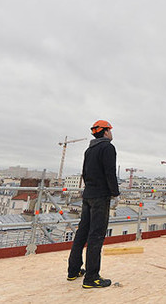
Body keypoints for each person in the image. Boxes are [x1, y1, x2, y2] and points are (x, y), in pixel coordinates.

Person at [67, 120, 120, 289]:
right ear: (105, 132)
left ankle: (73, 270)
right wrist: (115, 193)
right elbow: (110, 172)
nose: (112, 133)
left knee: (82, 233)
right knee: (96, 236)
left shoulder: (89, 149)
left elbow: (84, 172)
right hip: (100, 197)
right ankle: (91, 277)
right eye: (110, 130)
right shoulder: (108, 147)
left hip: (88, 195)